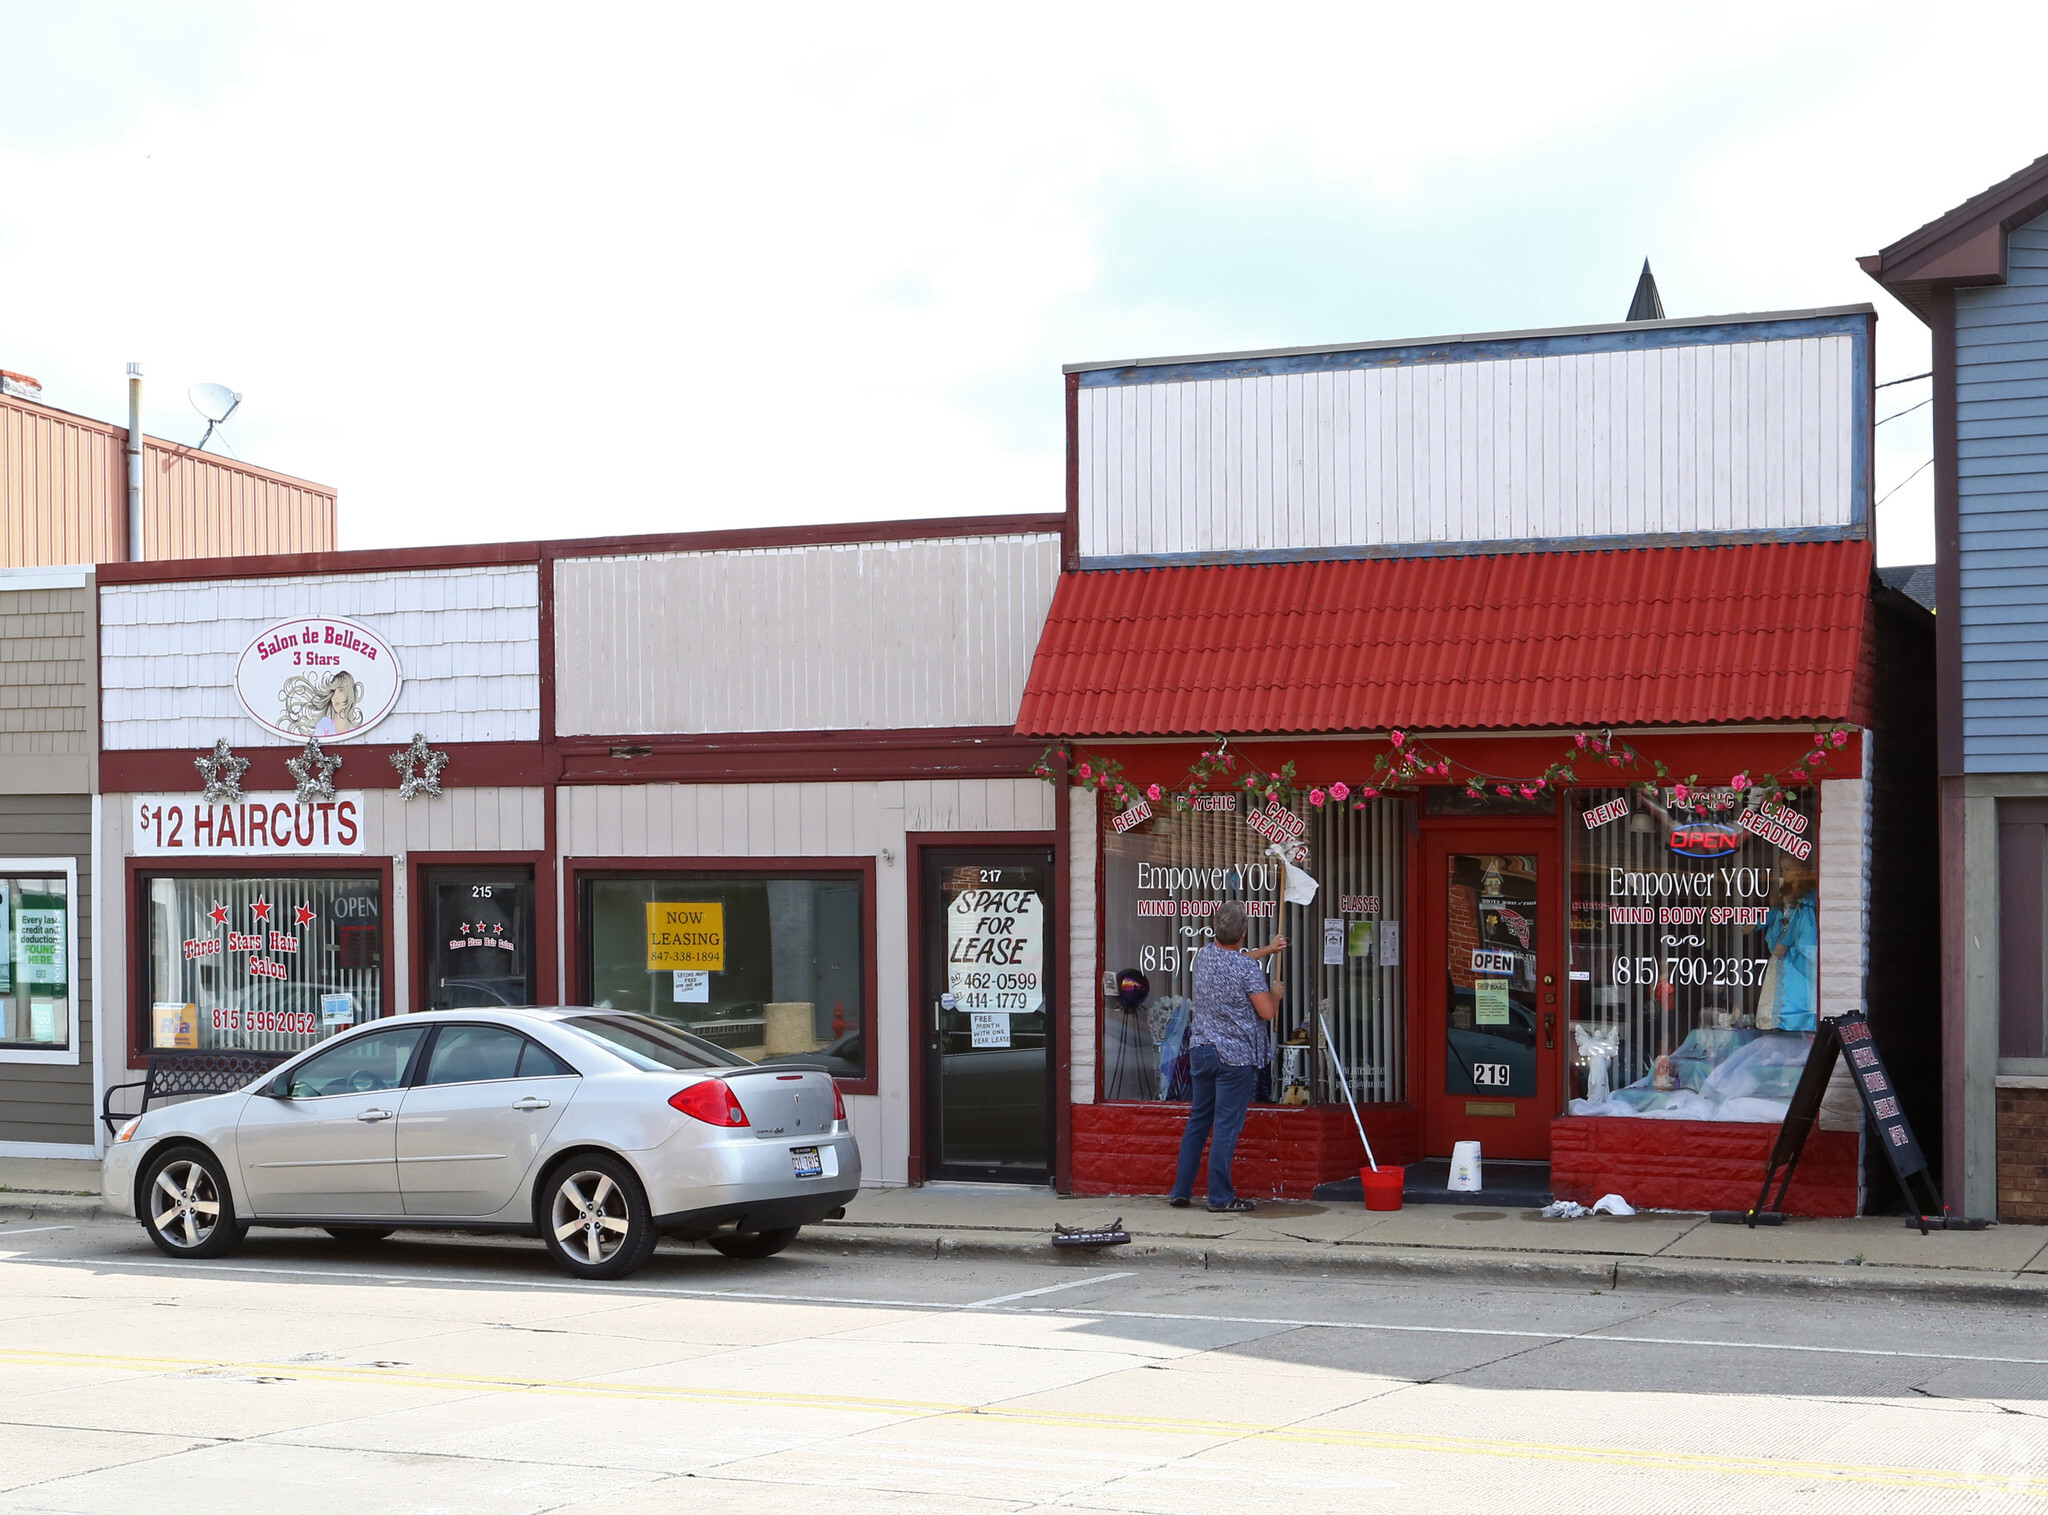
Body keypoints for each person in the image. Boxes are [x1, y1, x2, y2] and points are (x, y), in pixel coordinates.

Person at [1168, 901, 1285, 1213]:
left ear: (1216, 931)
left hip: (1202, 1051)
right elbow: (1267, 1012)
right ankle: (1220, 1197)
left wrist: (1268, 950)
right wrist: (1276, 993)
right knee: (1225, 1126)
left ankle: (1181, 1190)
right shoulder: (1247, 969)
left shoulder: (1204, 956)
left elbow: (1236, 959)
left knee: (1198, 1120)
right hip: (1234, 1057)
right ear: (1244, 933)